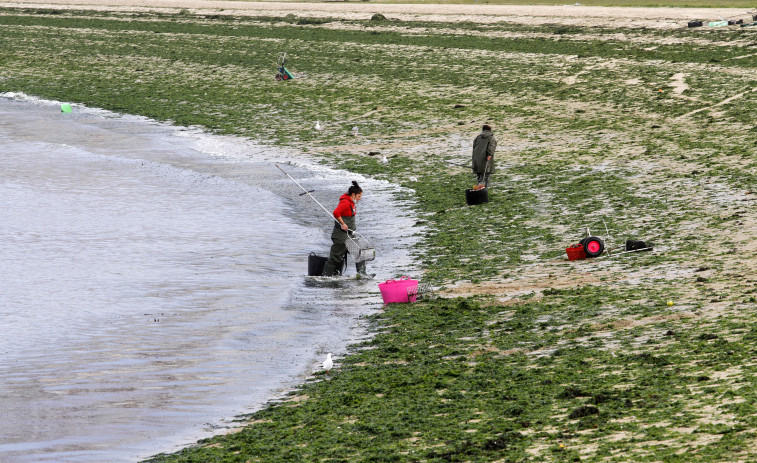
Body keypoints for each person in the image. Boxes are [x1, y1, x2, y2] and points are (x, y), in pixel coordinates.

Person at [321, 181, 371, 278]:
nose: (360, 199)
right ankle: (325, 277)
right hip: (341, 236)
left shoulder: (351, 202)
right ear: (353, 195)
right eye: (359, 196)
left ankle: (362, 275)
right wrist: (343, 224)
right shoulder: (345, 202)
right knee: (335, 258)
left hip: (350, 235)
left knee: (360, 253)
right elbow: (336, 213)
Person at [472, 124, 497, 189]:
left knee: (479, 176)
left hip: (476, 159)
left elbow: (474, 147)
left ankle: (478, 189)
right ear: (490, 130)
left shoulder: (478, 137)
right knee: (485, 176)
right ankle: (482, 191)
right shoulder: (491, 138)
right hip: (485, 159)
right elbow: (491, 147)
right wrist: (490, 155)